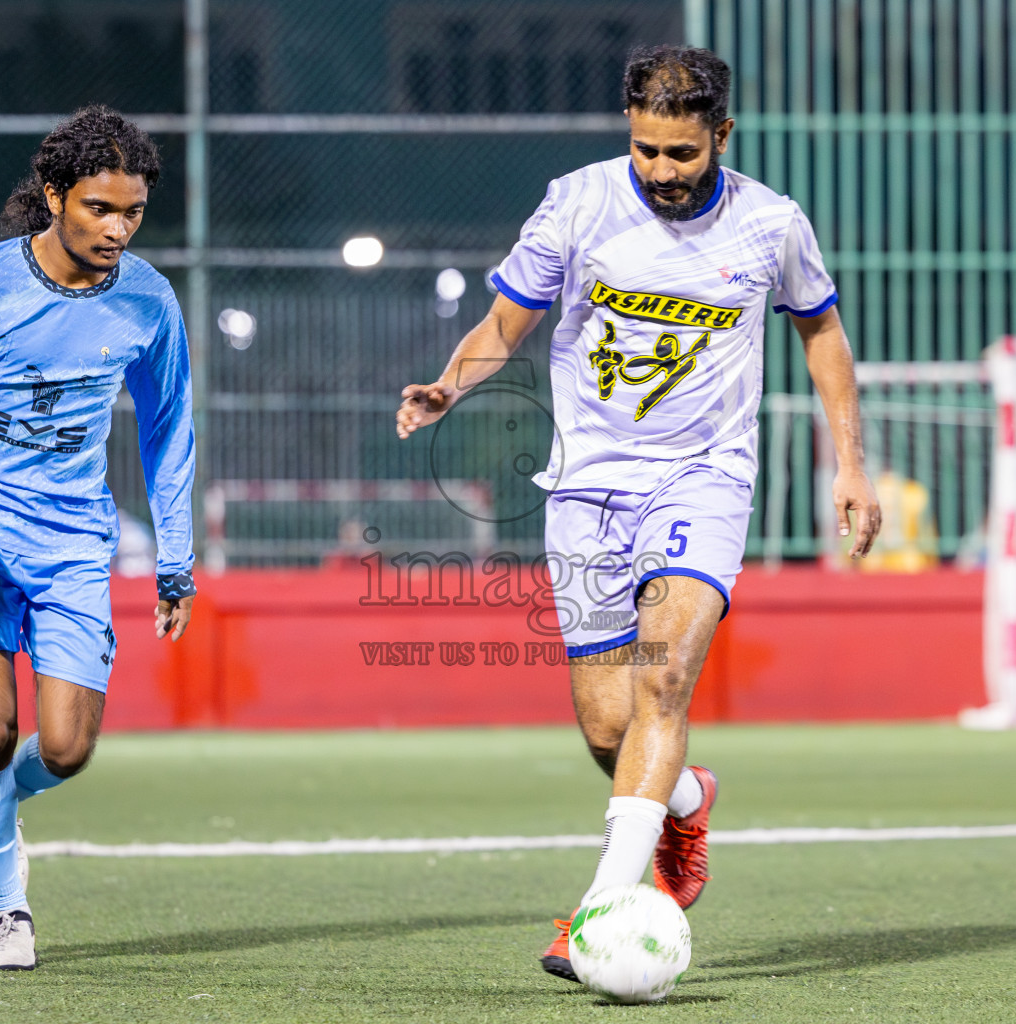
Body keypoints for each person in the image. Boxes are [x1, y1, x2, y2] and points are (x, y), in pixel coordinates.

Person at [395, 46, 880, 982]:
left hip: (704, 478)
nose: (661, 171)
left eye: (682, 155)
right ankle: (685, 801)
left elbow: (821, 327)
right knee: (610, 730)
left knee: (664, 686)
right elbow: (505, 324)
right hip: (585, 488)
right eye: (646, 150)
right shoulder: (576, 204)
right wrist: (450, 388)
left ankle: (598, 912)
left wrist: (850, 463)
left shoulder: (772, 223)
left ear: (720, 138)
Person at [0, 105, 196, 971]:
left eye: (133, 212)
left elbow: (171, 426)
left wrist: (173, 558)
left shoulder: (148, 299)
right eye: (100, 208)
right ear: (56, 194)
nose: (118, 228)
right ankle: (8, 912)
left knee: (64, 749)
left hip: (73, 547)